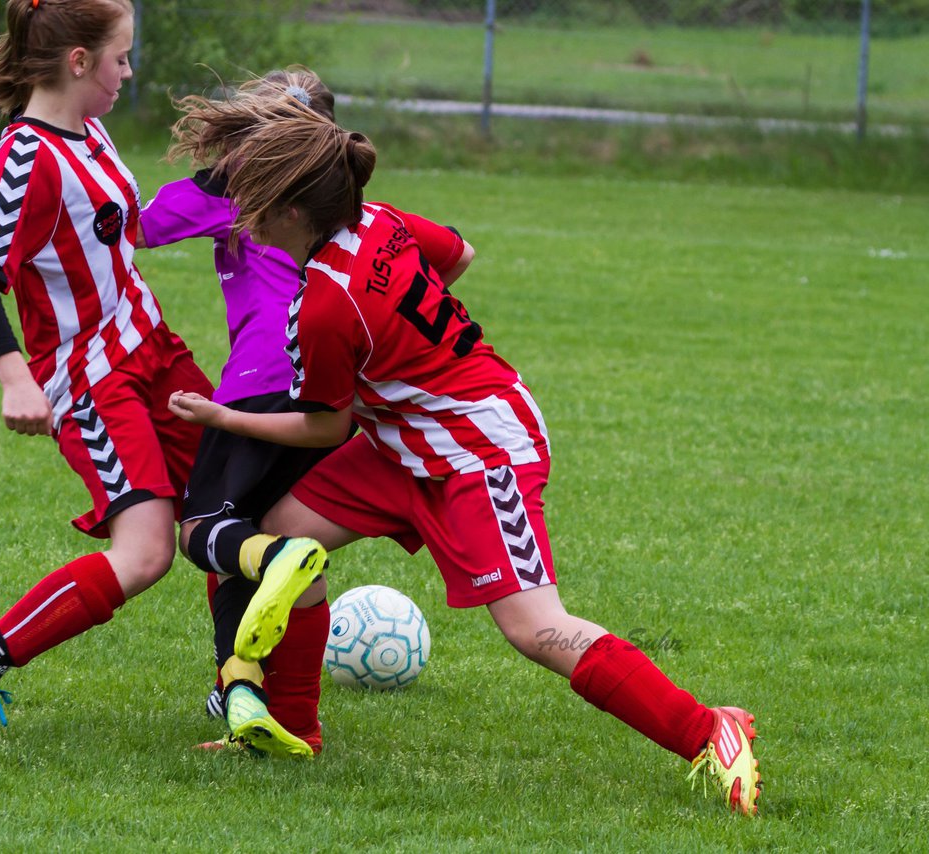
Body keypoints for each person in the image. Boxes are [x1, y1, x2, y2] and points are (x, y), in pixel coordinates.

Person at [166, 89, 763, 815]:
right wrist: (400, 341)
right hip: (403, 442)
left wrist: (221, 415)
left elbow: (326, 428)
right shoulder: (378, 220)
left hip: (480, 448)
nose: (244, 215)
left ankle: (711, 730)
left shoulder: (322, 302)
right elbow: (460, 252)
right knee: (282, 538)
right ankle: (291, 729)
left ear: (292, 211)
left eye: (254, 200)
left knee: (535, 628)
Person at [138, 68, 473, 757]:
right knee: (262, 541)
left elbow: (134, 229)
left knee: (212, 535)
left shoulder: (233, 189)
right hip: (330, 388)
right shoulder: (344, 203)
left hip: (260, 382)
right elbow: (457, 252)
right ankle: (260, 706)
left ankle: (244, 685)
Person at [0, 0, 215, 750]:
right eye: (120, 57)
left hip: (154, 351)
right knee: (146, 551)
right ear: (78, 62)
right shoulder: (26, 155)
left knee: (233, 505)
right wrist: (15, 378)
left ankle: (237, 685)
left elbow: (127, 224)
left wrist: (238, 181)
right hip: (92, 380)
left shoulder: (91, 130)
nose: (128, 70)